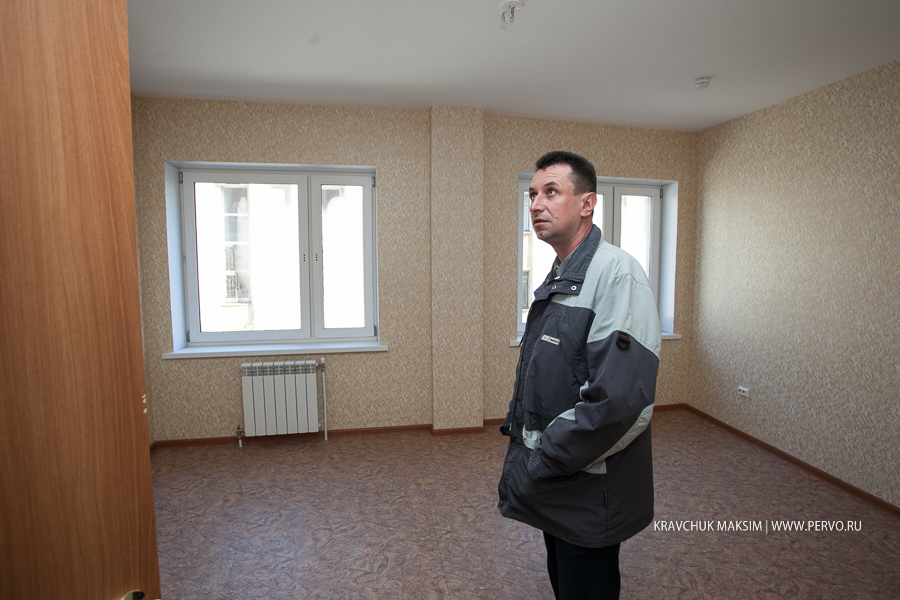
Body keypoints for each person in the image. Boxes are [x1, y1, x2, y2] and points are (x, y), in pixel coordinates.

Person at [498, 151, 661, 600]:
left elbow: (619, 403)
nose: (536, 204)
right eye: (533, 194)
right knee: (564, 579)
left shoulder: (617, 274)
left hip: (587, 484)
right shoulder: (565, 271)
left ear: (587, 204)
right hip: (560, 481)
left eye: (551, 192)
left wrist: (544, 459)